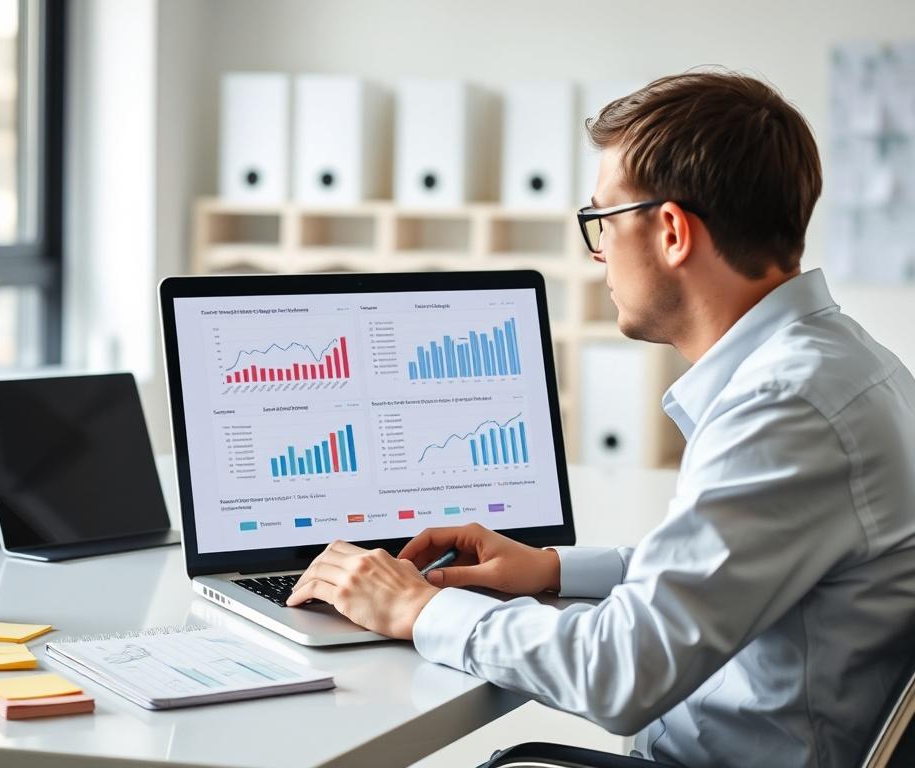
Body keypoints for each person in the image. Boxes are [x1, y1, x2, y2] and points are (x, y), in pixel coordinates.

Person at [287, 71, 915, 768]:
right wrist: (550, 568)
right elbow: (717, 569)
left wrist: (418, 609)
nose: (597, 255)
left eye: (602, 223)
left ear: (672, 231)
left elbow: (620, 672)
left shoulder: (785, 406)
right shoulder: (842, 366)